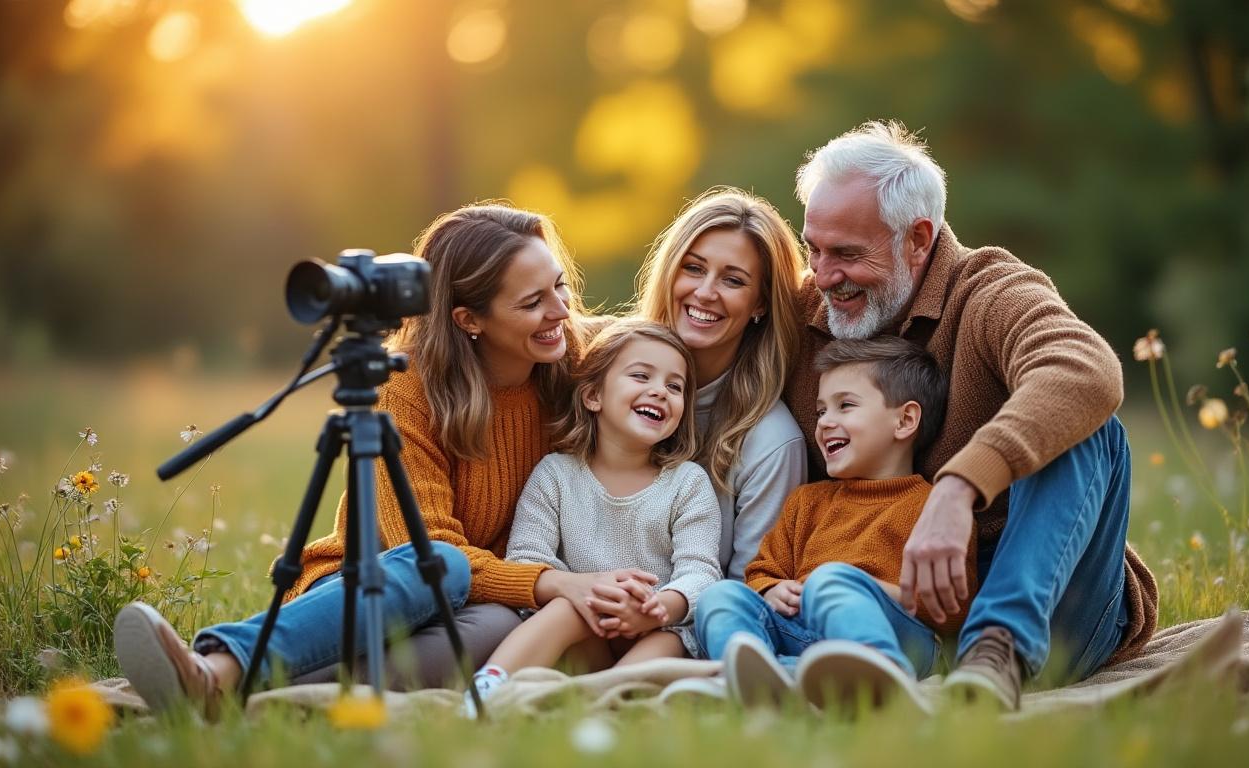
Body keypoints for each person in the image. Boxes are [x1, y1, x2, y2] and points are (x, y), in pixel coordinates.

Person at [112, 203, 657, 715]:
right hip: (375, 586)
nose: (561, 312)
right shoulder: (409, 388)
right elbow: (428, 552)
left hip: (484, 602)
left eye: (559, 287)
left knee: (498, 628)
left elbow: (669, 352)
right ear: (470, 318)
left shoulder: (580, 360)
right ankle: (222, 664)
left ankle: (229, 689)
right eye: (532, 302)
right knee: (446, 567)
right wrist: (554, 583)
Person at [784, 120, 1158, 709]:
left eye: (848, 255)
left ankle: (998, 650)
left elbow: (1086, 368)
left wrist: (959, 488)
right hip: (881, 609)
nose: (823, 275)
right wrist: (582, 333)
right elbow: (692, 333)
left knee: (1090, 426)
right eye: (814, 248)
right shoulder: (810, 306)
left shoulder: (987, 289)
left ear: (918, 238)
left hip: (1050, 599)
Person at [695, 337, 972, 712]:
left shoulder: (932, 508)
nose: (825, 423)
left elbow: (954, 607)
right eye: (821, 410)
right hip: (804, 634)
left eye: (845, 406)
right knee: (719, 596)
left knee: (830, 579)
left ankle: (883, 676)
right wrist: (770, 590)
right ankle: (763, 680)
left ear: (905, 420)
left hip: (904, 640)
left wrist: (859, 586)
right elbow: (761, 570)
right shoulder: (807, 502)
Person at [466, 319, 722, 709]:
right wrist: (590, 590)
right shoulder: (556, 474)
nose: (659, 391)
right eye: (640, 375)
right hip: (584, 632)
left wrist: (657, 609)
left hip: (656, 629)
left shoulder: (687, 483)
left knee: (673, 637)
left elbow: (702, 573)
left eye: (675, 386)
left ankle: (600, 704)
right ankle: (486, 694)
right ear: (592, 396)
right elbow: (526, 560)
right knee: (568, 607)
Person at [634, 188, 808, 586]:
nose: (705, 292)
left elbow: (745, 592)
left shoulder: (771, 442)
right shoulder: (605, 383)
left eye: (733, 280)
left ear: (760, 304)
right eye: (693, 268)